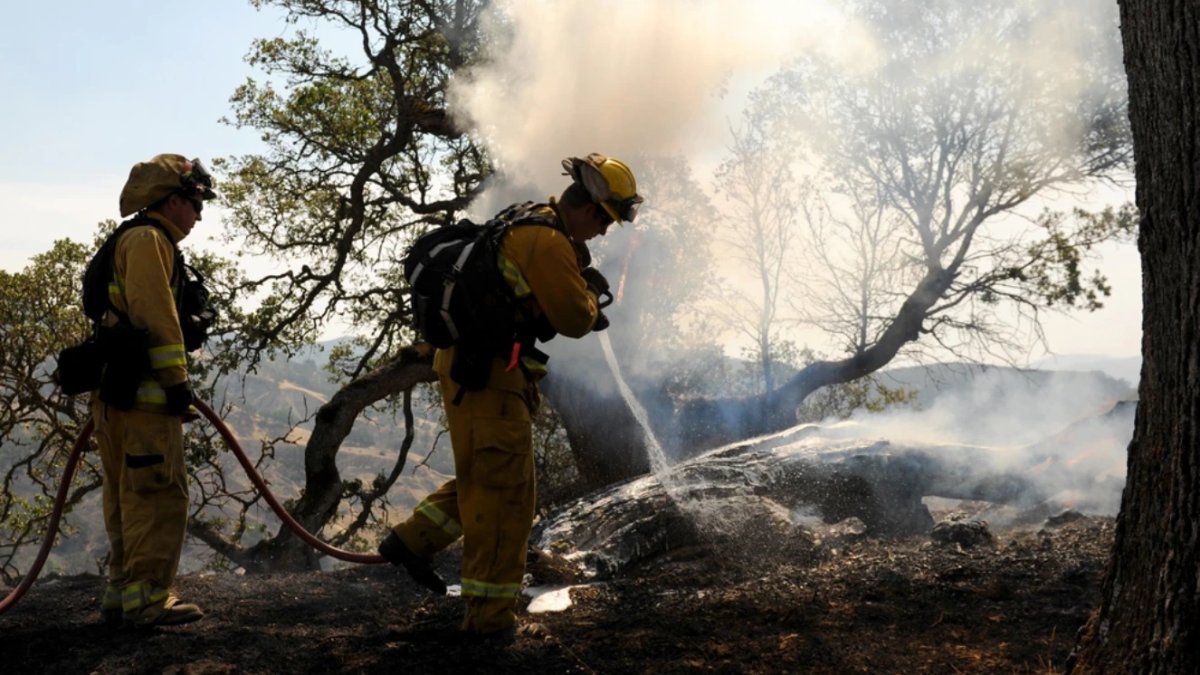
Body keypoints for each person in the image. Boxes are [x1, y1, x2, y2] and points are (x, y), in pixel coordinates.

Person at [380, 153, 644, 643]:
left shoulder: (528, 218)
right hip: (488, 375)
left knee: (486, 474)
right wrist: (589, 297)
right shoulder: (547, 241)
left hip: (475, 367)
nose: (604, 234)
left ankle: (413, 542)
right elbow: (573, 319)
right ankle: (489, 620)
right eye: (605, 223)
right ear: (589, 209)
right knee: (506, 497)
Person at [92, 153, 217, 627]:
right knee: (158, 494)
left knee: (127, 494)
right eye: (195, 201)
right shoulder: (149, 240)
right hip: (143, 398)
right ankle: (146, 598)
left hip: (118, 396)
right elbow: (156, 316)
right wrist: (177, 385)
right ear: (171, 200)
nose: (200, 213)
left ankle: (121, 593)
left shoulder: (136, 238)